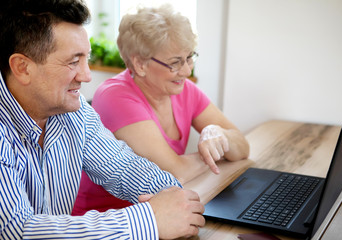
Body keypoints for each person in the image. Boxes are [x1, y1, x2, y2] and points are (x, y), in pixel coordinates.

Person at [0, 0, 205, 239]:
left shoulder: (75, 114)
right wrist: (150, 219)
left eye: (87, 59)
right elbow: (16, 229)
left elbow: (124, 168)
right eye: (73, 62)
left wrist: (172, 198)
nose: (87, 76)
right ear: (22, 67)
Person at [73, 5, 250, 215]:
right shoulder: (114, 95)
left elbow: (243, 147)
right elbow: (173, 171)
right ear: (140, 64)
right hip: (111, 219)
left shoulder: (184, 90)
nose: (186, 70)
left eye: (189, 57)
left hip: (162, 211)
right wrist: (216, 152)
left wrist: (219, 135)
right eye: (175, 63)